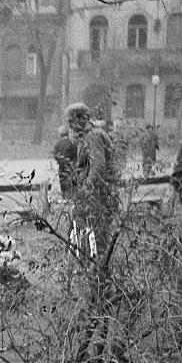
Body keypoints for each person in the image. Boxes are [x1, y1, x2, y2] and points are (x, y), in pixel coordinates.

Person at [62, 102, 118, 258]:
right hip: (93, 197)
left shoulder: (93, 136)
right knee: (80, 238)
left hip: (98, 198)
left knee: (98, 246)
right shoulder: (87, 137)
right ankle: (86, 273)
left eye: (70, 123)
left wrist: (85, 190)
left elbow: (98, 167)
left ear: (80, 119)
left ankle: (98, 278)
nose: (69, 128)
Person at [51, 124, 78, 198]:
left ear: (60, 134)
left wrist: (60, 160)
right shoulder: (71, 143)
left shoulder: (57, 144)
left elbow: (55, 156)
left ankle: (66, 202)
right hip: (72, 169)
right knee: (73, 189)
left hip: (62, 169)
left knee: (64, 189)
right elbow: (76, 156)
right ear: (68, 133)